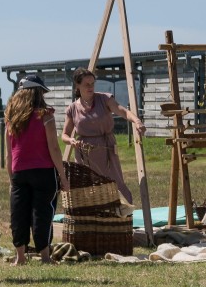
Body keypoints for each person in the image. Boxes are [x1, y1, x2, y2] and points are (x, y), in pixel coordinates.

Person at [5, 75, 70, 265]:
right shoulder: (46, 115)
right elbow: (54, 148)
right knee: (42, 213)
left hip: (19, 172)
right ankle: (45, 257)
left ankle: (20, 257)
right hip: (43, 171)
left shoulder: (10, 118)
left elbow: (9, 154)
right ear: (37, 93)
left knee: (19, 214)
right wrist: (63, 176)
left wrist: (12, 179)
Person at [61, 67, 145, 203]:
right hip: (84, 152)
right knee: (87, 186)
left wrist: (137, 121)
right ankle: (93, 218)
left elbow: (123, 111)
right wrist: (71, 140)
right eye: (86, 84)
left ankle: (123, 214)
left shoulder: (104, 99)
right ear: (77, 85)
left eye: (92, 84)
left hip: (106, 148)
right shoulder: (72, 109)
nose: (90, 87)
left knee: (115, 182)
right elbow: (64, 134)